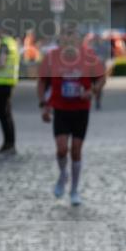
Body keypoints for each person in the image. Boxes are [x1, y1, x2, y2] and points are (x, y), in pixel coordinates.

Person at [37, 25, 105, 205]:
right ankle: (63, 175)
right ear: (60, 41)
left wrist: (93, 91)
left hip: (81, 109)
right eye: (65, 39)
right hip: (60, 109)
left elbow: (101, 77)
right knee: (61, 149)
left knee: (76, 150)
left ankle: (74, 190)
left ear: (79, 41)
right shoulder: (51, 58)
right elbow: (42, 83)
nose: (69, 42)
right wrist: (43, 105)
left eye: (73, 39)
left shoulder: (88, 57)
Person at [0, 22, 19, 153]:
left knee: (3, 115)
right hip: (7, 83)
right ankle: (9, 143)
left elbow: (1, 63)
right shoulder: (11, 42)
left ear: (0, 29)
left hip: (1, 83)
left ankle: (8, 143)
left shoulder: (3, 44)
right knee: (6, 114)